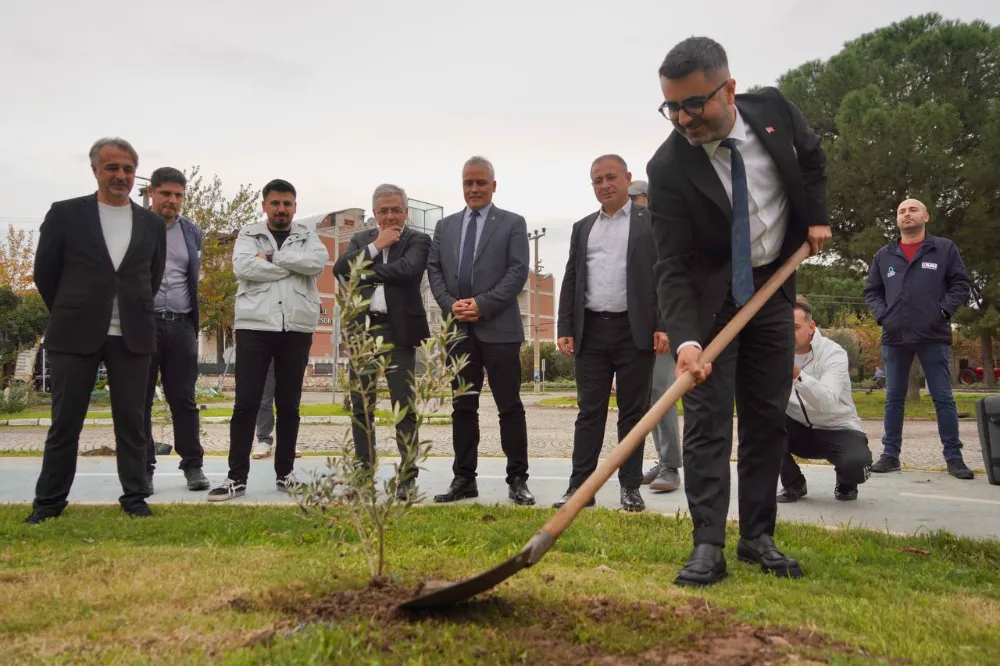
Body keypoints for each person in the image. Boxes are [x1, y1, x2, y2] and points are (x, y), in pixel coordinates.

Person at [647, 37, 832, 586]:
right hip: (712, 303)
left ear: (728, 89)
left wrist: (816, 217)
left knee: (765, 418)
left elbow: (813, 160)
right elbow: (672, 266)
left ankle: (757, 536)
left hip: (773, 289)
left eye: (694, 104)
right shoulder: (668, 167)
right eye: (671, 106)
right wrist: (686, 342)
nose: (683, 119)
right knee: (707, 422)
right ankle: (708, 543)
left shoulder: (773, 110)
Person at [26, 137, 166, 523]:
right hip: (74, 333)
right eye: (112, 167)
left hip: (132, 335)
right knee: (65, 423)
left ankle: (135, 498)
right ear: (95, 170)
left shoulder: (152, 223)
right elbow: (45, 273)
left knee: (133, 424)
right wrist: (74, 309)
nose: (121, 175)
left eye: (128, 169)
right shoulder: (66, 214)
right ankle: (48, 504)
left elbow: (151, 278)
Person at [555, 154, 667, 512]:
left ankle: (630, 487)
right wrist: (565, 325)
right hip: (590, 331)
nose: (604, 185)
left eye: (611, 178)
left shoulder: (651, 223)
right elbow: (572, 277)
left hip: (635, 331)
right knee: (589, 412)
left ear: (627, 178)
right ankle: (580, 489)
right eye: (598, 180)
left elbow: (666, 275)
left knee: (633, 414)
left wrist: (663, 324)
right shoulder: (583, 227)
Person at [207, 179, 328, 501]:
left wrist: (272, 258)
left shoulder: (308, 235)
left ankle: (285, 473)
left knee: (289, 405)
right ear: (264, 205)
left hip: (296, 326)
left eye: (287, 203)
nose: (281, 209)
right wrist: (291, 264)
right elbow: (243, 267)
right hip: (255, 325)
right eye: (275, 203)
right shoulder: (249, 234)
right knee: (246, 403)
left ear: (295, 207)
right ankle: (236, 477)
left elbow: (316, 264)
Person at [426, 156, 534, 506]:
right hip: (459, 330)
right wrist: (449, 304)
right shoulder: (445, 227)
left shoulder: (513, 223)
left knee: (509, 406)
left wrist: (483, 304)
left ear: (493, 185)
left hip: (500, 329)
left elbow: (517, 271)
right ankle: (464, 478)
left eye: (480, 183)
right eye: (468, 183)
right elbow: (434, 270)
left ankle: (518, 478)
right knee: (463, 408)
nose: (474, 189)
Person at [333, 184, 431, 500]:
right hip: (362, 332)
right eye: (384, 211)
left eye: (396, 210)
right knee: (362, 405)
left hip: (398, 332)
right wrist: (377, 245)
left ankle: (407, 476)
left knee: (404, 405)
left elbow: (408, 270)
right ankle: (364, 475)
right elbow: (340, 270)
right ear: (375, 213)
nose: (390, 216)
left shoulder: (418, 240)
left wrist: (366, 272)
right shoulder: (363, 240)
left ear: (406, 212)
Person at [863, 198, 973, 479]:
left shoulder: (944, 249)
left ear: (926, 216)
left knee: (943, 398)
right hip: (894, 335)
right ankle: (890, 456)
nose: (906, 214)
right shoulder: (884, 255)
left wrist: (943, 311)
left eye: (913, 210)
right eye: (901, 211)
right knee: (893, 398)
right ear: (897, 219)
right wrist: (883, 316)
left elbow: (961, 284)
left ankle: (954, 457)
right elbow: (872, 291)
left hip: (933, 334)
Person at [142, 167, 209, 493]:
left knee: (184, 399)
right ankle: (143, 468)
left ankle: (192, 465)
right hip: (143, 324)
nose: (172, 200)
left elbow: (191, 278)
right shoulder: (136, 226)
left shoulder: (193, 233)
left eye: (178, 195)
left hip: (182, 325)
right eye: (166, 193)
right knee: (139, 400)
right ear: (152, 193)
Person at [777, 296, 872, 502]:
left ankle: (846, 481)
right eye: (784, 327)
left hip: (838, 429)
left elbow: (828, 401)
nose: (789, 334)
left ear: (811, 326)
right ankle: (793, 483)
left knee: (855, 465)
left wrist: (797, 375)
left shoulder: (834, 353)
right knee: (758, 423)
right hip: (798, 429)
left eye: (795, 327)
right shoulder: (774, 353)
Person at [629, 180, 683, 493]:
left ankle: (671, 467)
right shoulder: (636, 237)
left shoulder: (663, 234)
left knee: (662, 396)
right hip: (642, 331)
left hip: (666, 329)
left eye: (634, 199)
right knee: (650, 399)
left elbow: (669, 285)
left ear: (647, 199)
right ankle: (664, 461)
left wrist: (663, 325)